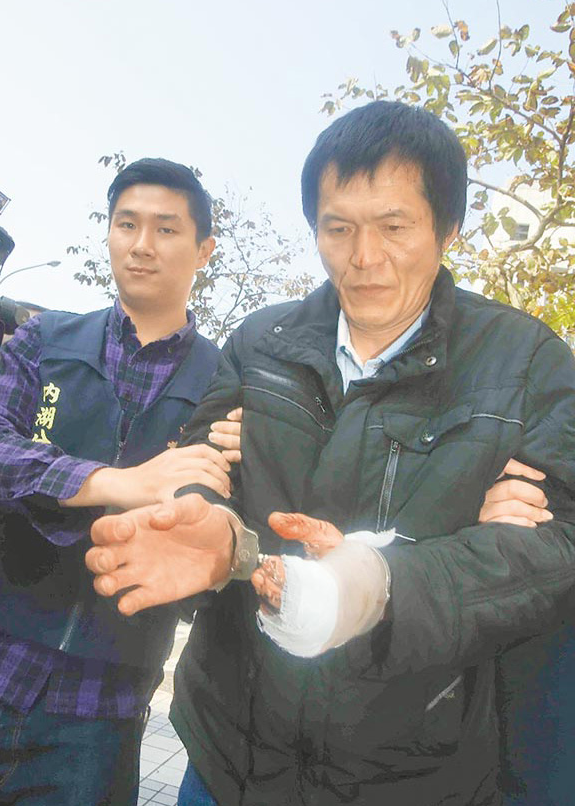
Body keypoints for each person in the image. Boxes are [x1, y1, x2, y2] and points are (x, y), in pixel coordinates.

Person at [87, 102, 575, 805]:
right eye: (338, 228)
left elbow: (555, 546)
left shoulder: (525, 363)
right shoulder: (261, 343)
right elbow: (205, 462)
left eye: (394, 227)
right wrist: (213, 526)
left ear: (448, 228)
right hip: (228, 755)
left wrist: (373, 587)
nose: (364, 257)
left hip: (411, 771)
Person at [0, 159, 241, 806]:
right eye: (127, 224)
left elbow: (210, 515)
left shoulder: (227, 383)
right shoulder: (45, 338)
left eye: (166, 229)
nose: (141, 245)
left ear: (204, 249)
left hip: (97, 712)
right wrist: (114, 482)